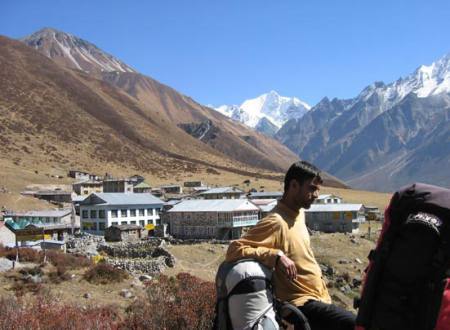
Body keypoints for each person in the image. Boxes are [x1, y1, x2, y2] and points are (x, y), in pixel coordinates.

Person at [226, 161, 355, 330]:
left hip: (319, 299)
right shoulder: (276, 222)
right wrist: (276, 256)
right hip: (300, 304)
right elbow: (234, 249)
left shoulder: (299, 213)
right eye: (311, 188)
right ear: (294, 185)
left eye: (318, 189)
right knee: (357, 324)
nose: (316, 194)